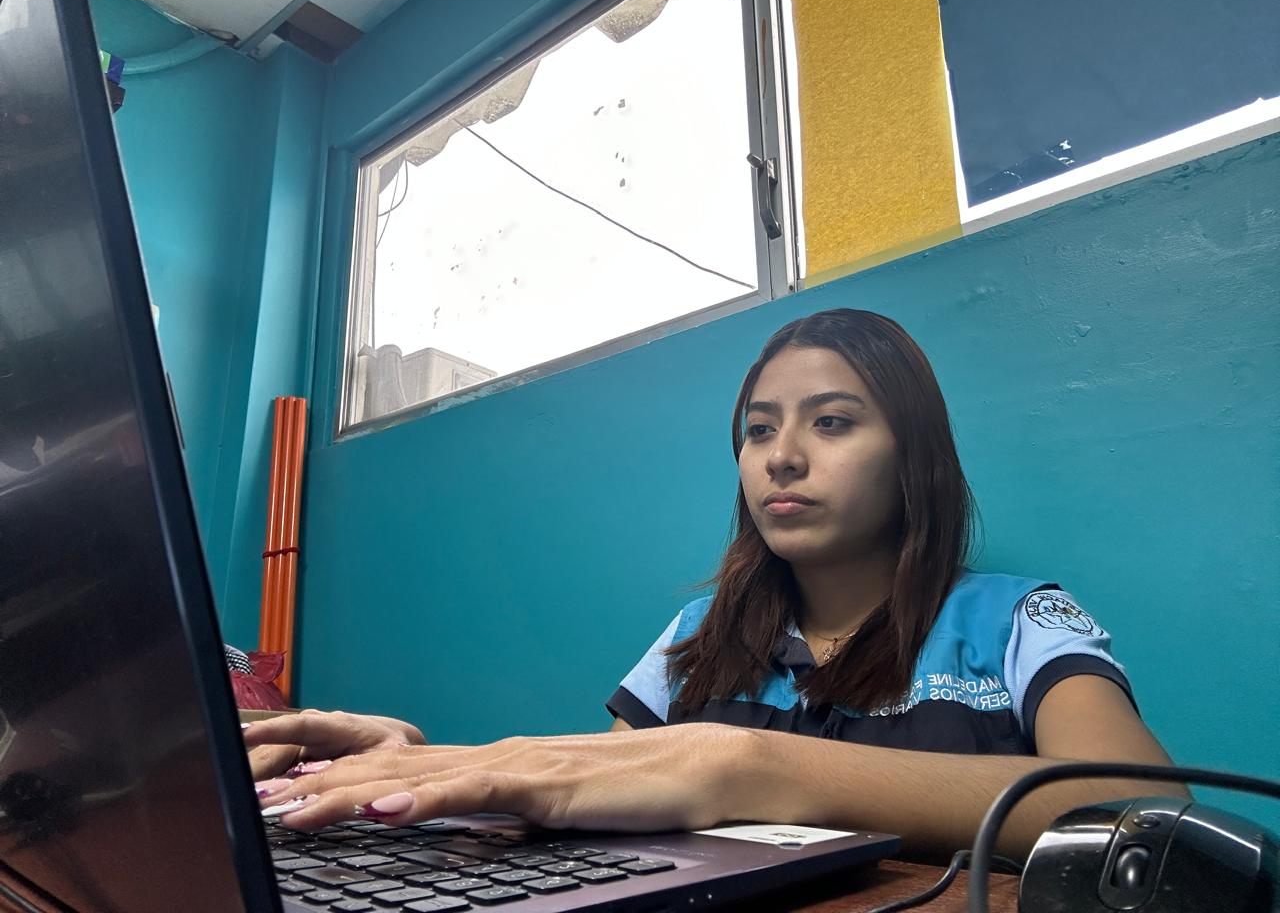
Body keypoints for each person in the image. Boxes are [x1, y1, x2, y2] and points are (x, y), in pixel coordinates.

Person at [248, 308, 1181, 862]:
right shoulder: (699, 631)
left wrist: (755, 768)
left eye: (832, 422)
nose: (782, 457)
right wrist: (426, 760)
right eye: (759, 430)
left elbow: (1140, 809)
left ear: (916, 456)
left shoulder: (1018, 618)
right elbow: (593, 789)